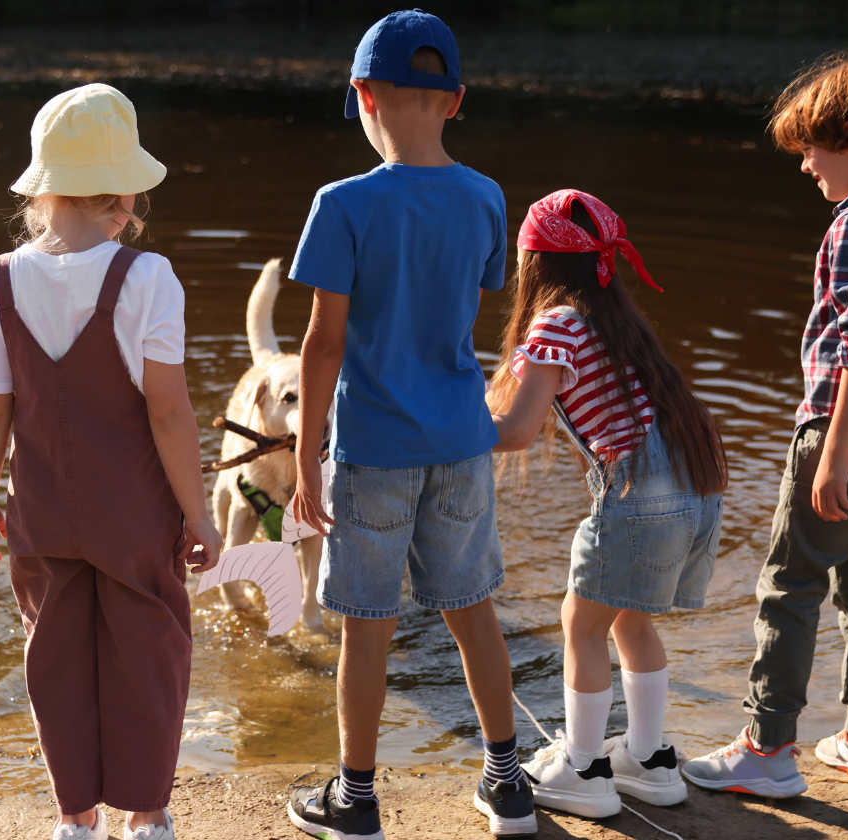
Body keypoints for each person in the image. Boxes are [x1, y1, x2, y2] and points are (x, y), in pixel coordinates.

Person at [282, 11, 534, 839]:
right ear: (455, 101)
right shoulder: (488, 197)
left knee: (366, 627)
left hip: (375, 449)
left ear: (362, 96)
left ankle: (356, 800)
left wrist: (308, 451)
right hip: (462, 441)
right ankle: (507, 784)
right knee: (473, 611)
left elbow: (322, 346)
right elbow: (474, 302)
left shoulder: (342, 204)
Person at [682, 51, 848, 796]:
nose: (805, 165)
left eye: (810, 147)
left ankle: (767, 750)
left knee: (789, 585)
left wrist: (833, 456)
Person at [0, 83, 223, 840]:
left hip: (40, 508)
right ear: (122, 197)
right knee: (150, 653)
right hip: (134, 515)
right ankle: (146, 817)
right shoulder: (147, 279)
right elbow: (169, 412)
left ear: (42, 195)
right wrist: (200, 514)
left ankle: (74, 819)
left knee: (55, 659)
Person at [487, 190, 727, 818]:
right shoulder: (615, 320)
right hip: (696, 491)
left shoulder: (555, 322)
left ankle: (584, 770)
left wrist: (438, 424)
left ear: (533, 263)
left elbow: (514, 432)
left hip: (641, 497)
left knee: (580, 624)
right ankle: (649, 759)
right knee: (628, 621)